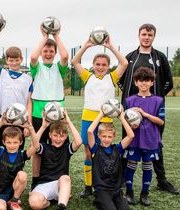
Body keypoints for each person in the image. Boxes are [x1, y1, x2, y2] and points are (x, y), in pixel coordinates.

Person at [118, 23, 178, 195]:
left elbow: (168, 82)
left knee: (156, 142)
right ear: (139, 35)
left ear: (154, 37)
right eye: (144, 34)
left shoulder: (159, 57)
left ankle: (162, 180)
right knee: (127, 140)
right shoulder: (130, 57)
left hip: (153, 110)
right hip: (131, 111)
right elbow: (120, 81)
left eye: (150, 35)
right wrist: (130, 98)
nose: (146, 37)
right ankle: (122, 179)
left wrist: (155, 98)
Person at [71, 35, 128, 197]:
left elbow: (124, 63)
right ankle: (88, 186)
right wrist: (87, 45)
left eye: (104, 65)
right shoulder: (87, 76)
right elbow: (75, 62)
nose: (100, 67)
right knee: (88, 153)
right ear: (93, 65)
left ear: (109, 66)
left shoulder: (113, 77)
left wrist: (110, 47)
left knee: (104, 154)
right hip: (88, 120)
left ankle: (101, 185)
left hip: (106, 121)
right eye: (97, 64)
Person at [29, 26, 69, 189]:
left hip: (58, 114)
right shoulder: (36, 67)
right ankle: (36, 179)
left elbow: (65, 55)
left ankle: (60, 179)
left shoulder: (59, 67)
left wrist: (56, 36)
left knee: (60, 146)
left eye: (51, 51)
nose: (47, 53)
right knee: (38, 148)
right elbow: (33, 56)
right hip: (39, 112)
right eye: (45, 50)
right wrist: (45, 37)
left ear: (55, 52)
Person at [0, 29, 33, 150]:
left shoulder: (28, 79)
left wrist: (28, 124)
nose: (14, 63)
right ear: (7, 60)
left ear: (21, 59)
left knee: (17, 151)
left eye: (16, 60)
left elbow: (29, 102)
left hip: (20, 119)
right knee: (2, 150)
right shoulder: (1, 73)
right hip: (3, 119)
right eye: (11, 60)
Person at [124, 67, 165, 206]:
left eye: (147, 80)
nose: (143, 83)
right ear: (135, 82)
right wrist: (131, 125)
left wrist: (144, 114)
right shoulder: (129, 100)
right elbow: (124, 120)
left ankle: (144, 194)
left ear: (152, 82)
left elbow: (161, 121)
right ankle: (129, 193)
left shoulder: (158, 100)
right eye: (140, 81)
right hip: (134, 139)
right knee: (131, 165)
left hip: (150, 139)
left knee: (147, 166)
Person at [28, 110, 82, 210]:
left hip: (60, 184)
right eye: (55, 135)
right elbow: (34, 145)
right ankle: (51, 201)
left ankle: (61, 206)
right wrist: (43, 126)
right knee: (34, 204)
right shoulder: (44, 147)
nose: (58, 139)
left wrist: (68, 122)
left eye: (62, 136)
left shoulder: (67, 149)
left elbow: (78, 142)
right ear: (50, 135)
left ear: (66, 137)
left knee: (65, 178)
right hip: (43, 184)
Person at [0, 116, 37, 210]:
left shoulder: (22, 154)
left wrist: (30, 128)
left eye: (15, 142)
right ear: (3, 142)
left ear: (20, 142)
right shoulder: (0, 152)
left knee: (22, 175)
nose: (12, 145)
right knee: (1, 208)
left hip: (14, 191)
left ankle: (14, 200)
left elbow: (35, 146)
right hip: (0, 191)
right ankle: (2, 202)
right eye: (9, 142)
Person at [88, 109, 134, 210]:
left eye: (109, 136)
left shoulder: (117, 149)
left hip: (116, 189)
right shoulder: (95, 149)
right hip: (101, 189)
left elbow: (131, 135)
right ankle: (98, 199)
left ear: (114, 137)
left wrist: (121, 117)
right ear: (99, 136)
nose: (106, 139)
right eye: (104, 136)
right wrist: (100, 115)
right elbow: (90, 131)